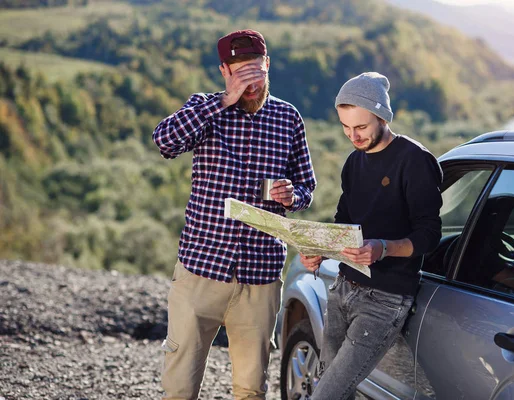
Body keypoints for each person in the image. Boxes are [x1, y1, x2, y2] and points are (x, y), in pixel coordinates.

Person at [152, 29, 316, 400]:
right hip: (200, 270)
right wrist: (224, 101)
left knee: (251, 390)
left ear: (268, 65)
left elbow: (307, 186)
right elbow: (164, 141)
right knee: (179, 388)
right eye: (241, 74)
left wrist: (292, 194)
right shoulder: (204, 109)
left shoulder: (288, 118)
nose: (252, 84)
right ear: (224, 71)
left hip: (260, 278)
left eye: (257, 72)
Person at [299, 72, 443, 399]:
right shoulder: (353, 163)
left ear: (382, 117)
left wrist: (383, 249)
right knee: (334, 390)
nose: (353, 136)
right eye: (346, 128)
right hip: (343, 288)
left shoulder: (415, 161)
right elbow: (344, 222)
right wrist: (320, 249)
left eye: (361, 127)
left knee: (327, 394)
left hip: (385, 300)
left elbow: (430, 234)